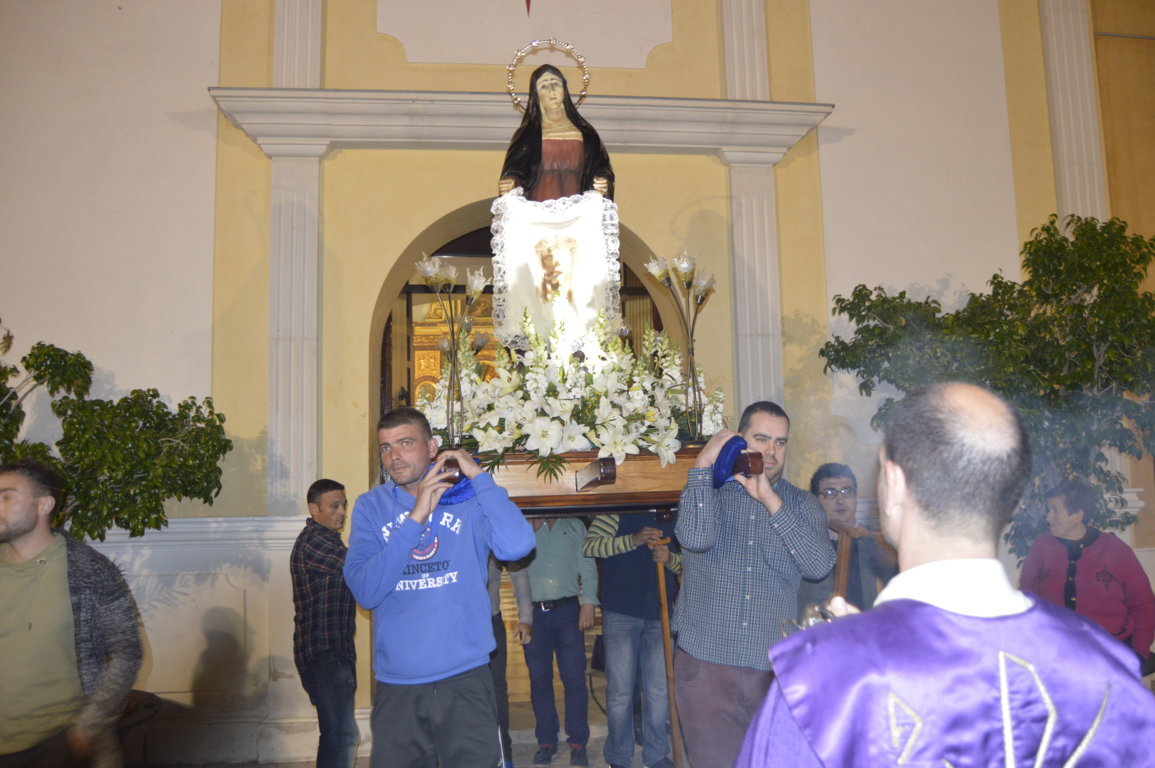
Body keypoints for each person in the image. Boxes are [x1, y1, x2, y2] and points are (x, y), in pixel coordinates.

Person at [736, 382, 1155, 767]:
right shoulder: (1108, 672)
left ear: (893, 485)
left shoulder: (823, 683)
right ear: (1012, 501)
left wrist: (851, 649)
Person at [343, 407, 536, 768]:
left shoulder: (469, 500)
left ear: (432, 447)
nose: (394, 456)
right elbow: (366, 592)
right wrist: (416, 517)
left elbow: (517, 546)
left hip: (465, 680)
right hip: (398, 686)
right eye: (385, 447)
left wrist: (478, 477)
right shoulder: (371, 507)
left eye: (405, 443)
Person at [672, 401, 835, 768]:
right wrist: (702, 465)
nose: (771, 451)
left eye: (780, 442)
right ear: (738, 441)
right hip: (707, 665)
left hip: (773, 670)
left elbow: (819, 566)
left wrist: (771, 501)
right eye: (761, 439)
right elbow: (694, 539)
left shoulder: (802, 505)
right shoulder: (709, 492)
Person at [0, 458, 143, 768]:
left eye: (7, 497)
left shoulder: (90, 570)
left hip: (61, 744)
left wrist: (86, 729)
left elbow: (127, 652)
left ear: (44, 505)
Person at [582, 512, 680, 768]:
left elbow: (689, 562)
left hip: (660, 614)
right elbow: (590, 546)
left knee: (658, 692)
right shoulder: (617, 509)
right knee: (620, 693)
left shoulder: (673, 512)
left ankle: (656, 754)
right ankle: (618, 756)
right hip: (621, 613)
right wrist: (632, 540)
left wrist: (670, 559)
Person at [1021, 478, 1155, 662]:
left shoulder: (1116, 550)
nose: (1048, 517)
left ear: (1077, 515)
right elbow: (1026, 599)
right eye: (1048, 510)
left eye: (1054, 510)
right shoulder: (1041, 547)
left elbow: (1144, 605)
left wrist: (1139, 651)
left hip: (1108, 653)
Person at [515, 516, 599, 766]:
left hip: (568, 611)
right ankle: (546, 741)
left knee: (574, 679)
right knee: (539, 680)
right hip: (534, 615)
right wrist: (523, 617)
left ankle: (578, 742)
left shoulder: (573, 525)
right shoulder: (524, 525)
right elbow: (515, 568)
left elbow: (587, 564)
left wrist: (588, 602)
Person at [291, 478, 358, 768]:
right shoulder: (316, 541)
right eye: (334, 506)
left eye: (344, 505)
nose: (342, 512)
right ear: (314, 508)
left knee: (338, 733)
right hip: (325, 654)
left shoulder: (328, 539)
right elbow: (358, 569)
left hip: (332, 652)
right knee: (341, 735)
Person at [498, 64, 614, 201]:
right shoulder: (528, 134)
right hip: (539, 205)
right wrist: (511, 182)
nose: (551, 90)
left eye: (555, 84)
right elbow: (516, 170)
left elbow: (601, 168)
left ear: (564, 89)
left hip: (577, 207)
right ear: (536, 95)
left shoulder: (586, 133)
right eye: (544, 86)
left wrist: (602, 181)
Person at [796, 463, 896, 616]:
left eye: (847, 492)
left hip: (865, 626)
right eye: (830, 493)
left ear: (856, 498)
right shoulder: (804, 543)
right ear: (816, 500)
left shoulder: (874, 540)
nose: (840, 500)